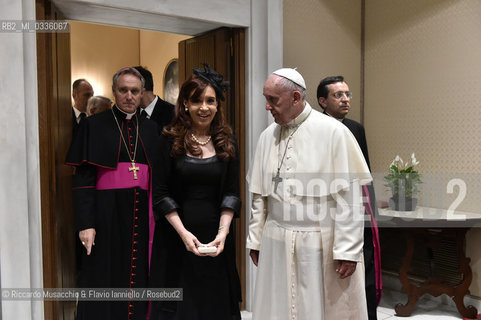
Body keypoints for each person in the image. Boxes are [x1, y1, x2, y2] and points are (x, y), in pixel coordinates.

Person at [246, 68, 372, 320]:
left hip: (319, 241)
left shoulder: (333, 132)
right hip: (276, 240)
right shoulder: (265, 137)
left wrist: (348, 250)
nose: (267, 107)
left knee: (318, 309)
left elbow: (349, 199)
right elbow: (260, 196)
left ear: (295, 97)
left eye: (273, 100)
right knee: (277, 308)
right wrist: (255, 239)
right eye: (266, 98)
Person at [66, 67, 159, 320]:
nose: (129, 96)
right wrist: (86, 224)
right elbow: (84, 179)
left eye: (135, 91)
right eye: (123, 90)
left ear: (142, 94)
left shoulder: (152, 129)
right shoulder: (94, 125)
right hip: (106, 214)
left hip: (142, 213)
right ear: (114, 91)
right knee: (104, 273)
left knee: (138, 271)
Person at [150, 64, 242, 320]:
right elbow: (161, 194)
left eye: (210, 101)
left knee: (215, 303)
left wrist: (223, 233)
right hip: (175, 239)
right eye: (197, 101)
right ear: (185, 105)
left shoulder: (227, 141)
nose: (204, 107)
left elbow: (232, 194)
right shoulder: (168, 140)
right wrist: (183, 233)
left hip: (217, 240)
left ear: (217, 106)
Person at [317, 75, 382, 320]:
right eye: (338, 95)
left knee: (365, 265)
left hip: (359, 208)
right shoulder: (316, 130)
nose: (345, 100)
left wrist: (371, 212)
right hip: (328, 210)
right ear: (323, 101)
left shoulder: (356, 128)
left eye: (347, 94)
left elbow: (365, 173)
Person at [133, 66, 175, 133]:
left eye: (132, 90)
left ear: (142, 91)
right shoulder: (131, 113)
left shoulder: (172, 113)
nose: (128, 96)